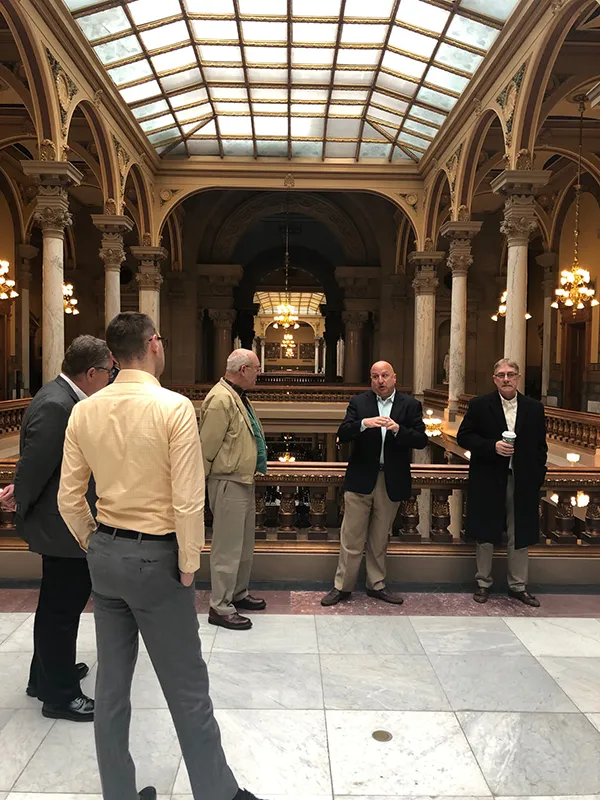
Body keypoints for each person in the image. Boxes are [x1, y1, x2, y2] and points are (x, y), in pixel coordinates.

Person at [58, 313, 264, 800]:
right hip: (158, 558)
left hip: (106, 554)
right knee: (187, 687)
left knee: (110, 691)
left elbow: (70, 498)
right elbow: (189, 498)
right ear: (154, 344)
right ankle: (218, 794)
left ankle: (120, 795)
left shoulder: (84, 410)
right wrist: (189, 563)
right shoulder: (173, 407)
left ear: (111, 357)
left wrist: (95, 541)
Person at [0, 335, 113, 721]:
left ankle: (43, 676)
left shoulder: (60, 397)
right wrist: (21, 499)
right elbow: (37, 462)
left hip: (61, 521)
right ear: (92, 372)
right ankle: (60, 694)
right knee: (60, 611)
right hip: (61, 525)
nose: (111, 379)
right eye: (109, 373)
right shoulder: (58, 405)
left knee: (55, 607)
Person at [321, 361, 428, 607]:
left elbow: (421, 440)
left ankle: (376, 585)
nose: (380, 380)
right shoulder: (359, 403)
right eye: (375, 376)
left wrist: (399, 429)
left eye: (385, 376)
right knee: (351, 538)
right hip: (360, 479)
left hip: (390, 480)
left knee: (380, 538)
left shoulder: (410, 405)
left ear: (394, 378)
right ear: (371, 380)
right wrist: (362, 424)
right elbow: (343, 433)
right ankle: (342, 587)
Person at [457, 358, 547, 607]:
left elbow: (541, 448)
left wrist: (537, 476)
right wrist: (491, 446)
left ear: (518, 377)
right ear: (494, 379)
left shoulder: (534, 408)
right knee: (486, 533)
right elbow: (464, 437)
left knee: (519, 534)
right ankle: (483, 582)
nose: (506, 379)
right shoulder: (479, 405)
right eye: (501, 375)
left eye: (511, 374)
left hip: (522, 481)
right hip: (488, 478)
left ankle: (518, 586)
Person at [199, 349, 267, 631]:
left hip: (243, 479)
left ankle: (237, 593)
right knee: (227, 547)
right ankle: (220, 606)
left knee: (243, 546)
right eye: (256, 368)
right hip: (227, 481)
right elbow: (206, 448)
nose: (259, 373)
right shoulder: (220, 398)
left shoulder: (238, 395)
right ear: (242, 369)